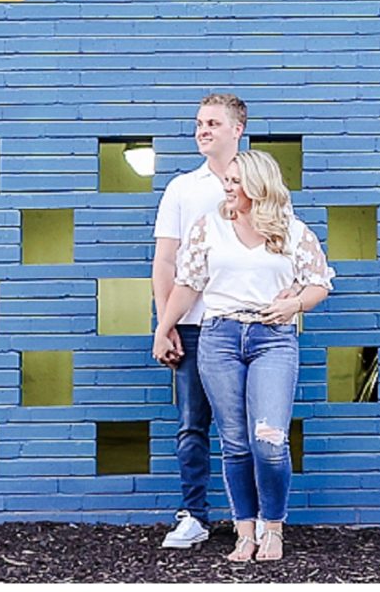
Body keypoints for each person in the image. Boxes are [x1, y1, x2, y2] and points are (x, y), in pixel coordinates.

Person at [154, 149, 334, 563]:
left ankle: (274, 528)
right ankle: (245, 532)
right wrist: (164, 327)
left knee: (269, 441)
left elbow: (319, 283)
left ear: (257, 186)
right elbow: (188, 284)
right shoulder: (209, 227)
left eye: (235, 182)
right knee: (234, 443)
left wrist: (296, 305)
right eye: (227, 181)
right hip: (219, 338)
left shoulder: (291, 231)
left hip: (273, 339)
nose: (227, 188)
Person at [148, 94, 243, 549]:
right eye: (199, 123)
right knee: (192, 424)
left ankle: (255, 518)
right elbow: (165, 261)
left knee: (247, 426)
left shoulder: (259, 180)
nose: (203, 130)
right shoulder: (182, 188)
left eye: (213, 123)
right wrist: (165, 324)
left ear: (237, 129)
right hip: (192, 326)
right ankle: (194, 516)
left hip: (245, 322)